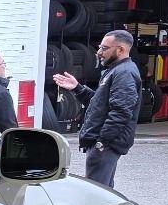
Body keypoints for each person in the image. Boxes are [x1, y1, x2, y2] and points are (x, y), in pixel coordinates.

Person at [55, 28, 141, 188]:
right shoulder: (115, 71)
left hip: (104, 145)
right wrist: (77, 88)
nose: (99, 52)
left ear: (121, 49)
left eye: (104, 48)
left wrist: (102, 142)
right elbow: (99, 103)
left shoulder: (124, 73)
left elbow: (121, 111)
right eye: (100, 47)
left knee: (96, 194)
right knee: (103, 191)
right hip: (103, 144)